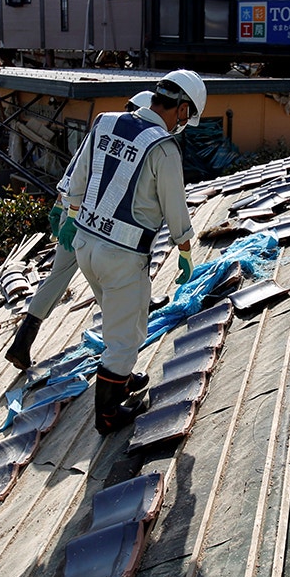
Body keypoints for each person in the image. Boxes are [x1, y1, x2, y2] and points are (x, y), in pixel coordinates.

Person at [61, 70, 202, 434]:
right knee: (124, 339)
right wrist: (185, 250)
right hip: (122, 256)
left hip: (85, 245)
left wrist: (71, 216)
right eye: (187, 115)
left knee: (123, 320)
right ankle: (108, 416)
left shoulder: (105, 121)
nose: (184, 122)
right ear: (181, 108)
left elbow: (76, 180)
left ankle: (120, 377)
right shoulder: (163, 147)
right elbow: (175, 207)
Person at [5, 91, 155, 371]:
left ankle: (22, 342)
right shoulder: (134, 142)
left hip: (73, 216)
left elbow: (74, 172)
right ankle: (121, 353)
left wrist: (60, 209)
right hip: (92, 224)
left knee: (59, 276)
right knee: (117, 279)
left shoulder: (104, 131)